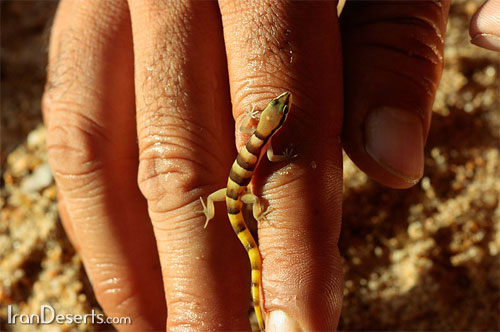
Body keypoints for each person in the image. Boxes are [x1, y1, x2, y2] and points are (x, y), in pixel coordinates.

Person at [42, 1, 499, 331]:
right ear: (271, 123)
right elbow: (266, 155)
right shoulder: (268, 139)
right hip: (239, 197)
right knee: (216, 202)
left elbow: (265, 146)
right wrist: (237, 203)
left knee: (250, 238)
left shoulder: (264, 135)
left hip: (236, 194)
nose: (279, 107)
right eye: (278, 109)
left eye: (276, 110)